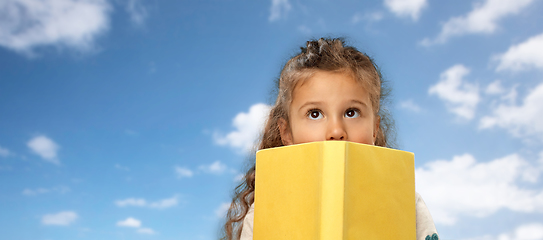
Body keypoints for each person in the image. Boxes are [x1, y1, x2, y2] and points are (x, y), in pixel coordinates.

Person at [221, 38, 439, 240]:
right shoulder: (266, 210)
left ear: (374, 129)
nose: (336, 130)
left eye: (351, 112)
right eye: (315, 113)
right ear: (286, 133)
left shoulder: (406, 203)